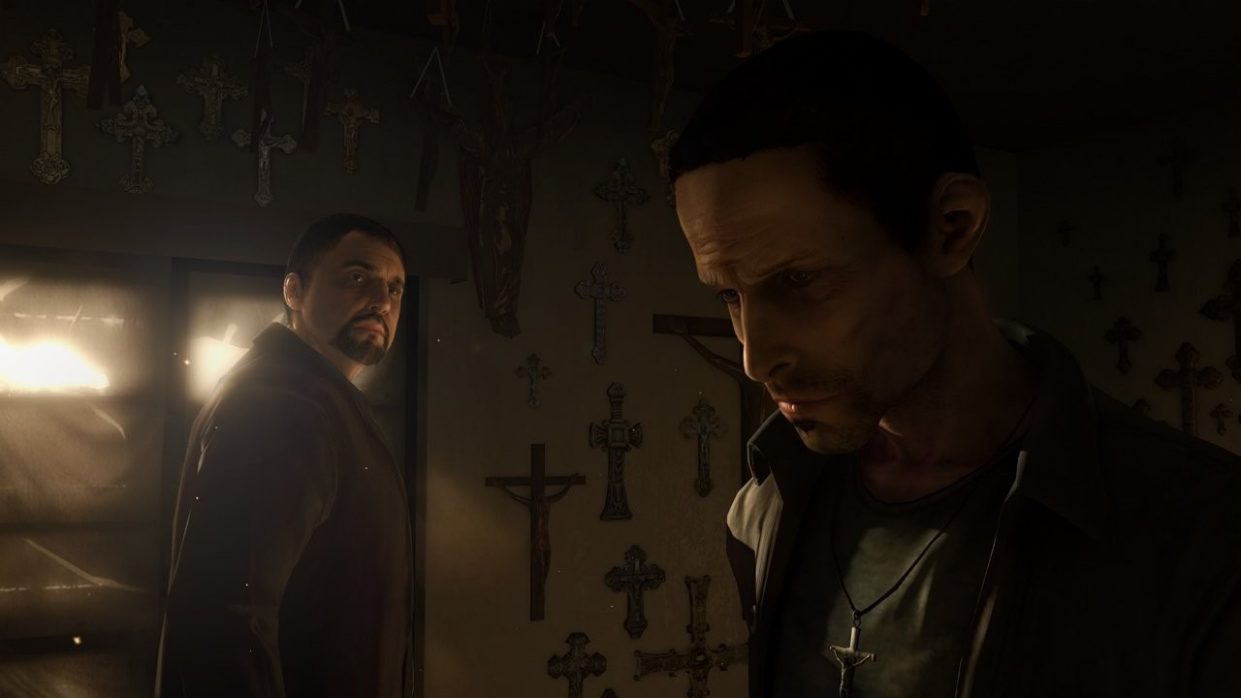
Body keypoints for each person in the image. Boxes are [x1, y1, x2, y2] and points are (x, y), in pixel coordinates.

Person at [668, 30, 1241, 698]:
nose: (755, 358)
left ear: (952, 227)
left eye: (799, 281)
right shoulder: (766, 508)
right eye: (730, 296)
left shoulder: (1201, 537)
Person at [156, 214, 414, 697]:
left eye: (394, 288)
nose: (382, 301)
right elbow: (227, 617)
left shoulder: (315, 397)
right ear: (294, 291)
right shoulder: (283, 404)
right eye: (357, 278)